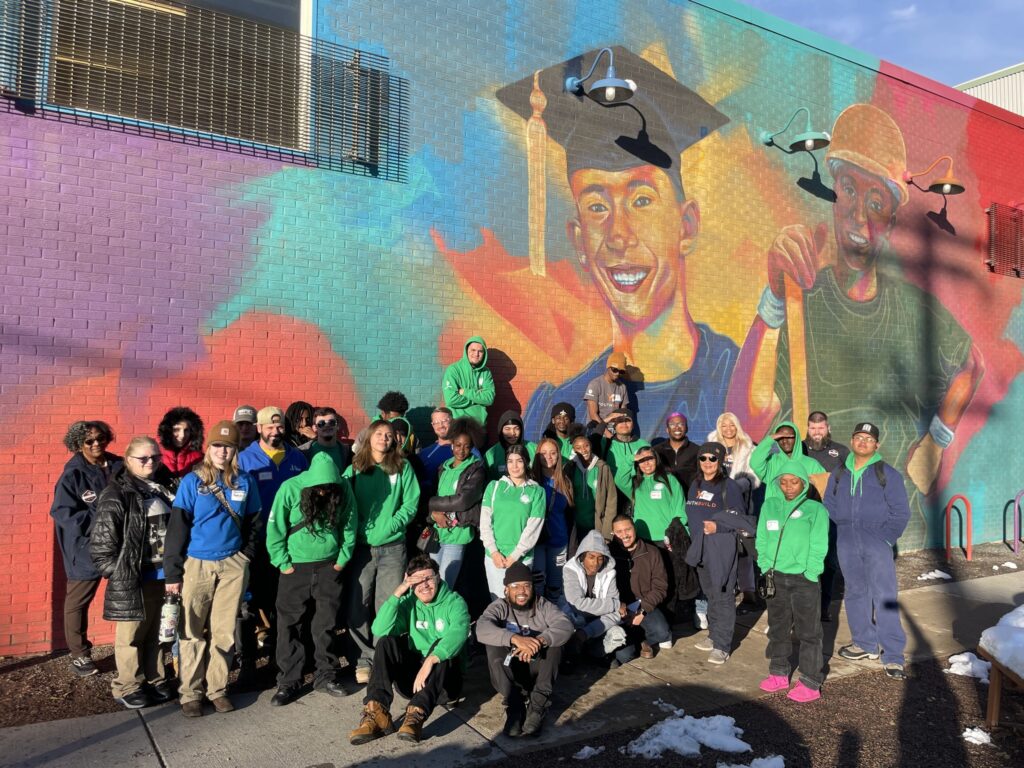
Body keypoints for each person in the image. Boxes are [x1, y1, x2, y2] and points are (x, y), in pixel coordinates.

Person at [727, 103, 983, 547]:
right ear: (835, 192)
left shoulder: (911, 307)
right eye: (849, 189)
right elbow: (749, 416)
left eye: (877, 200)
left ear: (892, 218)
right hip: (813, 513)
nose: (860, 215)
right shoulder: (799, 301)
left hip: (892, 520)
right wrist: (772, 297)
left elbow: (972, 365)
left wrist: (936, 442)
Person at [506, 48, 736, 443]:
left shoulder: (737, 381)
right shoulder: (562, 405)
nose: (617, 235)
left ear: (687, 225)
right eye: (597, 206)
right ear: (579, 241)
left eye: (642, 200)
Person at [164, 421, 261, 717]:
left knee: (223, 631)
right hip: (198, 563)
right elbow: (177, 529)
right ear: (209, 448)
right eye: (217, 445)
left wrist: (245, 556)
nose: (222, 451)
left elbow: (254, 523)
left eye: (228, 446)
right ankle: (190, 693)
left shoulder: (245, 481)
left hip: (232, 564)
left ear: (235, 450)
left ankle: (217, 688)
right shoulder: (193, 482)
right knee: (192, 630)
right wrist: (173, 574)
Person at [91, 436, 176, 709]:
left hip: (164, 575)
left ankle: (155, 678)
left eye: (155, 457)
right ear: (128, 461)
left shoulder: (165, 487)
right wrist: (120, 572)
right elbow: (102, 545)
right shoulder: (117, 493)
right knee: (131, 635)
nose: (150, 462)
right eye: (143, 458)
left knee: (157, 631)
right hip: (135, 577)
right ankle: (127, 684)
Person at [266, 454, 358, 706]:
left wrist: (342, 559)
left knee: (326, 623)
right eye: (318, 488)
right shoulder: (290, 488)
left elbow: (350, 523)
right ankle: (288, 680)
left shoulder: (342, 488)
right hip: (296, 567)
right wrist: (282, 562)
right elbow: (275, 526)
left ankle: (326, 675)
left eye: (327, 488)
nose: (322, 492)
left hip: (329, 566)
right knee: (289, 625)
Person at [348, 556, 470, 745]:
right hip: (413, 684)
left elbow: (459, 633)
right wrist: (398, 592)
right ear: (410, 582)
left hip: (445, 684)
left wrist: (431, 659)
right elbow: (379, 630)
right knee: (386, 642)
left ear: (437, 577)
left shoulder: (455, 602)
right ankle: (377, 713)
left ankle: (415, 715)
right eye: (417, 581)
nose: (424, 585)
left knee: (443, 645)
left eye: (428, 578)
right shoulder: (408, 602)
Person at [825, 422, 911, 680]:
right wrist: (836, 527)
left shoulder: (888, 474)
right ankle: (864, 643)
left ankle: (893, 655)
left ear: (876, 444)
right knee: (855, 592)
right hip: (847, 540)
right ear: (852, 441)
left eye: (868, 438)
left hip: (876, 540)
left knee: (884, 595)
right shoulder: (840, 472)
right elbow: (829, 502)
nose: (863, 442)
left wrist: (885, 538)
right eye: (858, 437)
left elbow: (901, 512)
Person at [343, 419, 421, 684]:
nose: (384, 439)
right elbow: (342, 499)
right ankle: (362, 659)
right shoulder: (356, 468)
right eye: (379, 434)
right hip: (362, 549)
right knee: (358, 604)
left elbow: (410, 504)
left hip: (393, 548)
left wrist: (391, 525)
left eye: (389, 435)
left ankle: (381, 659)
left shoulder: (403, 467)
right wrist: (360, 529)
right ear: (369, 437)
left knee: (387, 606)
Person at [237, 406, 309, 682]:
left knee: (285, 605)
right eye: (269, 427)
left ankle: (283, 663)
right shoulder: (244, 460)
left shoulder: (297, 459)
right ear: (259, 428)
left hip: (290, 546)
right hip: (256, 545)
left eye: (279, 427)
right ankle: (247, 667)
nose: (275, 431)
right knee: (247, 607)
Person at [51, 420, 123, 677]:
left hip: (120, 544)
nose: (96, 444)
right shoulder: (73, 474)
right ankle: (80, 655)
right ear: (78, 443)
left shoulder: (119, 465)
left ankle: (131, 649)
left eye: (101, 438)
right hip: (86, 547)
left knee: (130, 593)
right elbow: (62, 512)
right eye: (89, 440)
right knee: (78, 602)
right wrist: (99, 526)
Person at [756, 461, 829, 703]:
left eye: (794, 482)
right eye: (784, 482)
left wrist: (811, 572)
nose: (788, 487)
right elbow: (763, 538)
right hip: (775, 577)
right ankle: (779, 673)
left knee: (809, 632)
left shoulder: (815, 510)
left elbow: (819, 545)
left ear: (804, 483)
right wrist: (766, 566)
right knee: (778, 628)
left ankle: (810, 681)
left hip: (803, 580)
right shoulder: (770, 505)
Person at [476, 561, 574, 738]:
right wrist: (515, 639)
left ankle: (537, 706)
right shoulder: (499, 606)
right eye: (515, 586)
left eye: (526, 586)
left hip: (537, 667)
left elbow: (565, 625)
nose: (521, 591)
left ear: (532, 588)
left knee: (555, 645)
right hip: (511, 669)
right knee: (492, 644)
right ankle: (515, 707)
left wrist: (540, 640)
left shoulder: (543, 605)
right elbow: (481, 628)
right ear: (506, 589)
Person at [685, 442, 754, 665]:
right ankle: (714, 635)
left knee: (723, 596)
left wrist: (719, 527)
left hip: (722, 549)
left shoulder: (729, 487)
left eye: (712, 459)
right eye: (703, 458)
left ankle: (722, 645)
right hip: (701, 548)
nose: (707, 463)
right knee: (711, 594)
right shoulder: (694, 484)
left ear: (721, 461)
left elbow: (741, 522)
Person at [479, 444, 546, 600]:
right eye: (510, 461)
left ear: (527, 462)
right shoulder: (494, 487)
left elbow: (533, 528)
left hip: (521, 558)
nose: (514, 466)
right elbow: (485, 522)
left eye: (519, 461)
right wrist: (494, 552)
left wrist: (515, 555)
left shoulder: (537, 491)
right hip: (494, 557)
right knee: (498, 602)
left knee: (520, 600)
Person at [803, 411, 849, 621]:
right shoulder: (799, 449)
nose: (817, 432)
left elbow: (852, 480)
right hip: (804, 516)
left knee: (829, 564)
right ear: (807, 428)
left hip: (832, 517)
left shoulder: (840, 451)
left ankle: (823, 608)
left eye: (821, 428)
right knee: (804, 563)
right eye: (813, 428)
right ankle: (805, 608)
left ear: (828, 428)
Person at [427, 425, 486, 588]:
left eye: (467, 446)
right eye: (458, 445)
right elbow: (435, 493)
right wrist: (434, 514)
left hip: (458, 534)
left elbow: (463, 501)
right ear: (452, 444)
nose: (462, 450)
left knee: (445, 583)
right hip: (438, 534)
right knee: (433, 581)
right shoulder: (444, 467)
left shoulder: (476, 469)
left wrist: (431, 503)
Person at [609, 515, 672, 661]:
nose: (624, 535)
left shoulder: (652, 552)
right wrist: (619, 608)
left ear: (634, 529)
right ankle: (637, 641)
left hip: (643, 604)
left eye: (628, 529)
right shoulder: (609, 553)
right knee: (624, 656)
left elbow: (660, 586)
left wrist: (642, 610)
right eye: (619, 531)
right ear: (613, 533)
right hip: (619, 608)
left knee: (662, 632)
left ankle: (645, 641)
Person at [561, 530, 627, 663]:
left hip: (597, 624)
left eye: (600, 558)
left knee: (620, 640)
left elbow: (616, 614)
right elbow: (578, 605)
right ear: (582, 556)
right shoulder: (570, 570)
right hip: (573, 619)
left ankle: (591, 653)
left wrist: (586, 633)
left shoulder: (609, 573)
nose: (596, 563)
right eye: (591, 557)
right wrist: (615, 604)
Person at [530, 437, 574, 604]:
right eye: (543, 453)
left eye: (553, 453)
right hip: (537, 541)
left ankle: (556, 618)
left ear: (558, 455)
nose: (548, 457)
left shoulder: (565, 480)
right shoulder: (531, 479)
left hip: (559, 540)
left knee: (555, 585)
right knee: (538, 583)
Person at [750, 421, 826, 503]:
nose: (785, 441)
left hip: (804, 512)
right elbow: (754, 462)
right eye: (780, 438)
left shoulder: (812, 464)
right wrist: (770, 439)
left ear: (796, 438)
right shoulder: (772, 462)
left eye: (789, 437)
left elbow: (823, 489)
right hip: (776, 512)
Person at [568, 427, 616, 546]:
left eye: (586, 446)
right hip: (576, 527)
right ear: (573, 450)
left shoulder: (603, 468)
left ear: (591, 446)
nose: (583, 450)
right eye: (578, 448)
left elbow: (611, 501)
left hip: (597, 526)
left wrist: (607, 532)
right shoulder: (570, 468)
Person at [629, 446, 685, 546]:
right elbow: (620, 477)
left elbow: (680, 508)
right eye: (641, 460)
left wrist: (674, 532)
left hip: (666, 538)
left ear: (656, 459)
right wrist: (631, 458)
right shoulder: (634, 482)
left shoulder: (669, 479)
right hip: (642, 537)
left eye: (650, 458)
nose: (646, 463)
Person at [707, 412, 759, 505]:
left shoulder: (749, 448)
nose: (728, 429)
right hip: (714, 497)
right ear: (719, 428)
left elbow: (755, 477)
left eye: (732, 425)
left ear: (737, 427)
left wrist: (737, 486)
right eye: (724, 426)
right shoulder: (711, 446)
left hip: (738, 498)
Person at [441, 336, 495, 426]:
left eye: (480, 351)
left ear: (484, 354)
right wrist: (477, 399)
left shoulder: (486, 373)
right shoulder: (453, 370)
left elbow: (489, 399)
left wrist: (465, 392)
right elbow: (450, 399)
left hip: (479, 426)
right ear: (466, 351)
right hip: (457, 425)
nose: (476, 354)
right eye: (473, 350)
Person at [603, 409, 650, 505]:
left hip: (638, 494)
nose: (624, 424)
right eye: (620, 421)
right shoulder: (606, 443)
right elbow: (592, 440)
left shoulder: (643, 444)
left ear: (633, 424)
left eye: (628, 420)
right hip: (613, 494)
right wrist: (605, 421)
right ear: (614, 425)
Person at [581, 352, 629, 439]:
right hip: (596, 430)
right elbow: (593, 414)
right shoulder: (595, 384)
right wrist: (606, 433)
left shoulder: (622, 387)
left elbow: (623, 413)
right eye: (615, 370)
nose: (617, 373)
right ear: (608, 367)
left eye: (621, 371)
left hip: (615, 431)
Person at [653, 412, 700, 493]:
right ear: (667, 429)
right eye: (672, 424)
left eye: (681, 424)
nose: (677, 428)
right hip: (664, 497)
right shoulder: (657, 450)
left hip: (688, 497)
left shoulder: (697, 450)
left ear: (687, 428)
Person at [483, 410, 537, 482]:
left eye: (516, 428)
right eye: (507, 429)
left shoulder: (534, 448)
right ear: (501, 430)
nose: (512, 433)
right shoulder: (491, 454)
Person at [299, 406, 353, 473]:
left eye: (332, 422)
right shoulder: (301, 452)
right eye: (321, 423)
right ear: (315, 428)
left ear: (338, 426)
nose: (327, 425)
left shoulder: (349, 453)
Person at [157, 407, 204, 480]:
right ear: (168, 431)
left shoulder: (199, 457)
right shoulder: (157, 456)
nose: (182, 435)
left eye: (186, 430)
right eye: (177, 429)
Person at [417, 407, 455, 495]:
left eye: (444, 421)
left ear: (453, 422)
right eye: (436, 422)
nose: (440, 425)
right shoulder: (424, 453)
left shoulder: (465, 450)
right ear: (432, 425)